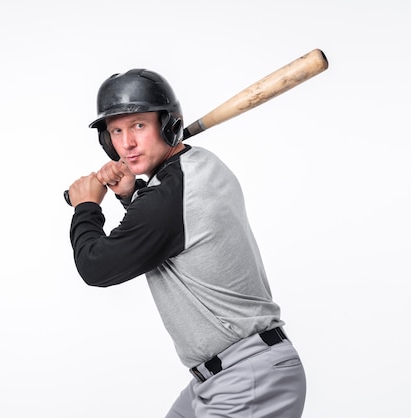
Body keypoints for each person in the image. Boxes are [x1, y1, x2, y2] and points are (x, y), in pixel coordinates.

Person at [67, 68, 307, 417]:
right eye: (116, 131)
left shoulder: (168, 197)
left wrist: (86, 207)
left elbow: (96, 265)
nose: (127, 143)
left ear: (167, 125)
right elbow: (170, 234)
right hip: (219, 379)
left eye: (138, 125)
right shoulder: (201, 165)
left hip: (247, 381)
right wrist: (132, 194)